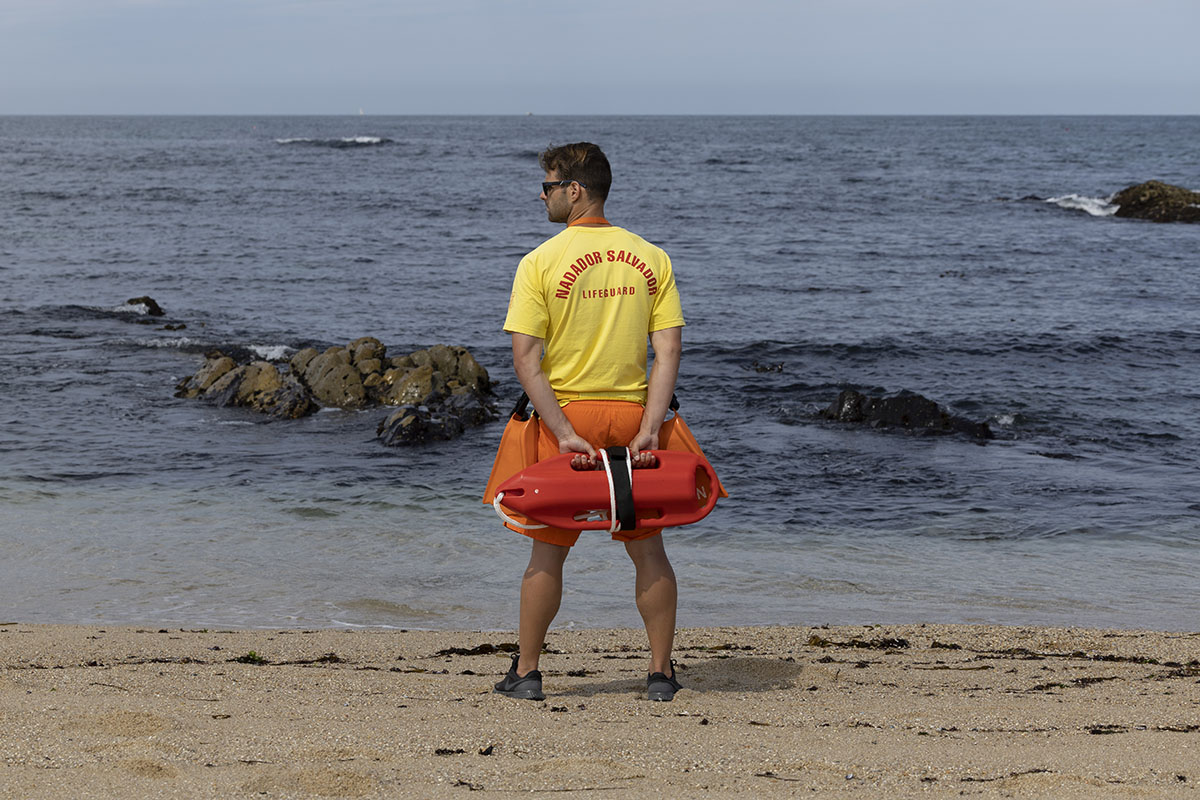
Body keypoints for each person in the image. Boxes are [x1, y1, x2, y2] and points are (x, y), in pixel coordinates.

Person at [486, 142, 690, 702]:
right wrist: (651, 427)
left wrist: (562, 430)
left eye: (548, 186)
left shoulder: (540, 262)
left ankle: (526, 673)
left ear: (574, 190)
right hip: (632, 416)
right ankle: (659, 674)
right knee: (648, 549)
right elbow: (667, 352)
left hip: (567, 417)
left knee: (548, 550)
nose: (543, 196)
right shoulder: (652, 257)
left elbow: (526, 359)